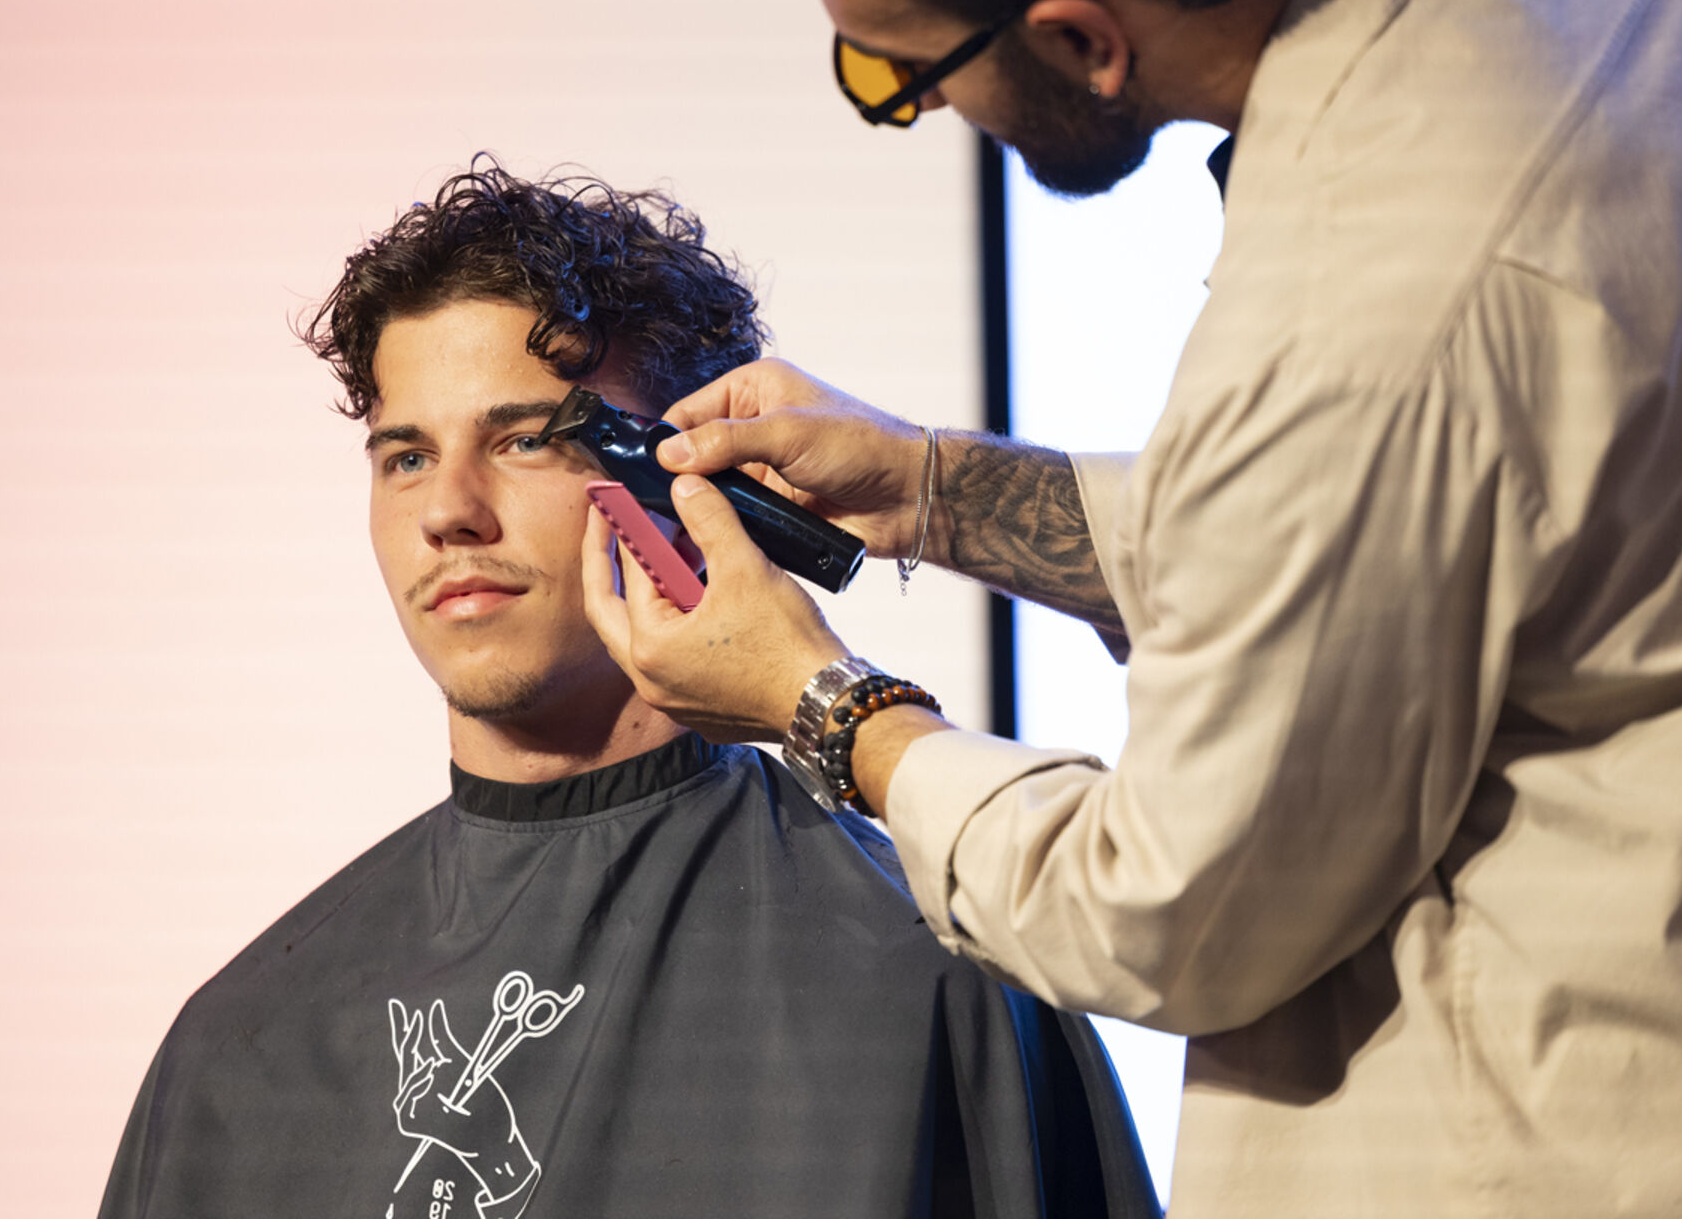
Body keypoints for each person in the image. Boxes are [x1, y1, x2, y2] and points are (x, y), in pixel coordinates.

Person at [576, 0, 1682, 1215]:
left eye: (896, 71)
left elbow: (1172, 910)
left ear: (1082, 39)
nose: (917, 106)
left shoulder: (1373, 304)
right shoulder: (1614, 1)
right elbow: (1400, 532)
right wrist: (939, 488)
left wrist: (827, 704)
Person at [96, 160, 1159, 1219]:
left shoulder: (931, 981)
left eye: (525, 440)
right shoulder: (240, 1049)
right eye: (407, 458)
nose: (449, 511)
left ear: (694, 480)